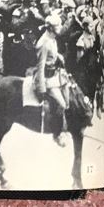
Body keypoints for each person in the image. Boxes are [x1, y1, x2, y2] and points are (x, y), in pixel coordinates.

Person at [34, 12, 67, 146]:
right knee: (62, 104)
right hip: (47, 78)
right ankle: (57, 133)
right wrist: (41, 87)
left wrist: (58, 56)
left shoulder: (52, 39)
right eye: (57, 26)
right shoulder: (44, 43)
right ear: (50, 28)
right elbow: (40, 66)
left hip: (54, 73)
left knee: (69, 93)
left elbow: (52, 53)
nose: (59, 28)